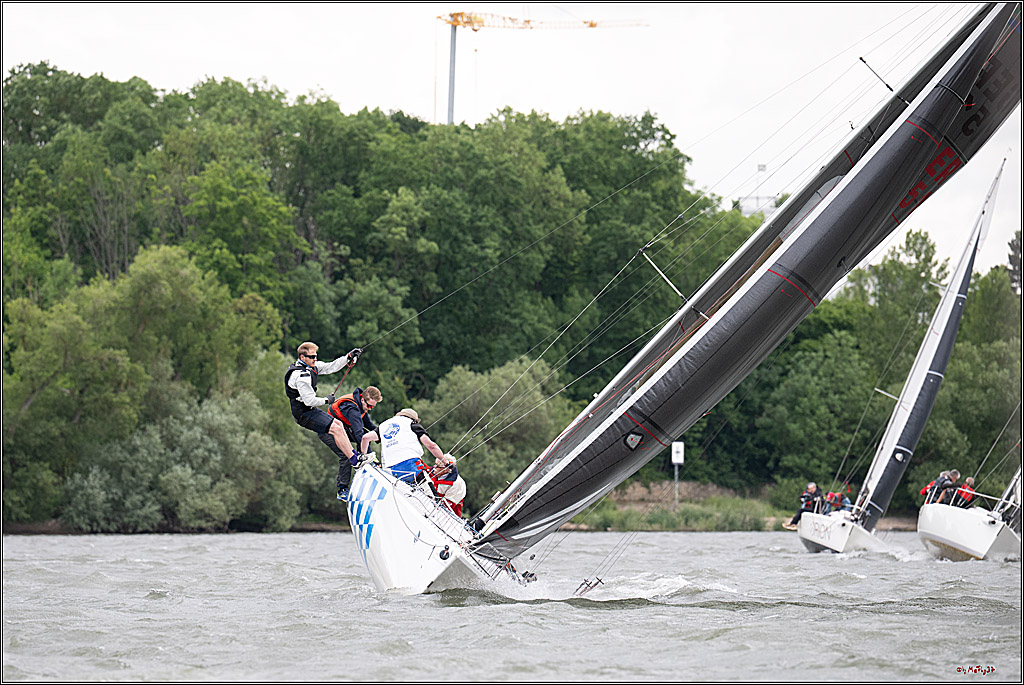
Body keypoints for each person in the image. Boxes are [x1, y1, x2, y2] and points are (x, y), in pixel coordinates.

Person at [284, 342, 363, 496]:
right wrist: (327, 400)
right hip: (303, 414)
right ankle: (354, 459)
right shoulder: (301, 376)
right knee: (335, 428)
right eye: (312, 357)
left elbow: (331, 367)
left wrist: (348, 357)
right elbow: (310, 401)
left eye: (315, 356)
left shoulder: (310, 366)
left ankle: (355, 457)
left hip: (309, 410)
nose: (315, 359)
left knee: (338, 425)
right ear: (302, 357)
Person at [327, 386, 382, 501]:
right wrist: (369, 455)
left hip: (342, 430)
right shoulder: (352, 408)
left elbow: (369, 426)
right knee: (346, 455)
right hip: (328, 431)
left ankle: (365, 463)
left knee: (364, 440)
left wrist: (382, 436)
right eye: (370, 406)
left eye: (373, 407)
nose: (370, 409)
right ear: (363, 400)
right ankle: (342, 490)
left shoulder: (362, 406)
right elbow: (359, 434)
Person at [378, 408, 449, 484]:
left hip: (393, 469)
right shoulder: (412, 424)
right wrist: (445, 462)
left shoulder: (384, 427)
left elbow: (366, 437)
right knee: (430, 493)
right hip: (412, 465)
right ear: (414, 420)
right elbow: (431, 446)